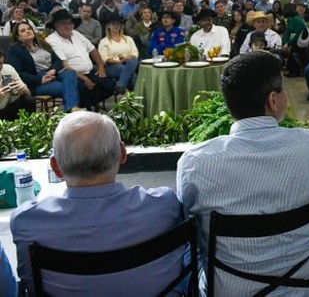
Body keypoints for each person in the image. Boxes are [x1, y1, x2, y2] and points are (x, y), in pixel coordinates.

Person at [177, 51, 309, 295]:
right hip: (306, 287)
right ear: (273, 100)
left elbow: (185, 220)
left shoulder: (196, 163)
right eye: (283, 90)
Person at [11, 112, 186, 296]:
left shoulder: (26, 222)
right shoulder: (164, 205)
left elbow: (30, 284)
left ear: (56, 167)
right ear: (122, 154)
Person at [45, 10, 115, 109]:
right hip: (71, 76)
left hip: (89, 71)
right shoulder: (52, 40)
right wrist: (85, 79)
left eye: (70, 23)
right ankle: (87, 107)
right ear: (56, 25)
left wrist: (100, 66)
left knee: (110, 85)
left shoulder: (76, 34)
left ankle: (89, 103)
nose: (68, 26)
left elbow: (92, 49)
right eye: (64, 23)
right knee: (82, 88)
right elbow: (64, 65)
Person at [7, 22, 81, 111]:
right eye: (23, 31)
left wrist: (53, 69)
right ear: (18, 37)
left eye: (29, 29)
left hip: (52, 73)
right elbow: (18, 73)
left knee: (70, 73)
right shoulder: (15, 50)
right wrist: (40, 79)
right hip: (36, 81)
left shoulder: (42, 43)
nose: (28, 31)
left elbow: (57, 61)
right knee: (72, 87)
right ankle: (72, 108)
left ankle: (72, 108)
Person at [98, 19, 139, 94]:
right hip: (111, 66)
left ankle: (121, 86)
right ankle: (136, 95)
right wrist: (118, 61)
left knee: (134, 60)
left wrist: (125, 58)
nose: (116, 26)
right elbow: (104, 58)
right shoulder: (104, 41)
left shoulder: (128, 39)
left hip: (128, 62)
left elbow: (135, 52)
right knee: (129, 72)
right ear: (108, 26)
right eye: (113, 24)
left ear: (121, 26)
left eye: (118, 24)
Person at [0, 50, 34, 120]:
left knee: (29, 100)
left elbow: (27, 92)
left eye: (1, 63)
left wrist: (21, 89)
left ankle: (29, 125)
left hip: (7, 106)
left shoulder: (8, 69)